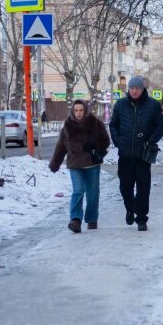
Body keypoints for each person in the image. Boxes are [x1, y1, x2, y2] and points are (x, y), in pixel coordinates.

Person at [109, 76, 163, 231]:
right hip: (125, 154)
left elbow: (160, 125)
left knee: (143, 188)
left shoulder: (152, 105)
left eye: (137, 88)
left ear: (142, 89)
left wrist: (151, 141)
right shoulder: (121, 105)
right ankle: (130, 208)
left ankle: (141, 219)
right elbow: (113, 125)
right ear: (128, 89)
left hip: (143, 155)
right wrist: (118, 141)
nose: (134, 91)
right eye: (132, 88)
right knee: (125, 186)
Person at [49, 99, 110, 233]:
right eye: (76, 110)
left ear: (86, 110)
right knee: (78, 190)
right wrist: (55, 163)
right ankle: (75, 220)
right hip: (75, 164)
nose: (78, 113)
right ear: (72, 111)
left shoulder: (95, 123)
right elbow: (61, 145)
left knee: (93, 192)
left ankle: (92, 219)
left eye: (81, 110)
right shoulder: (68, 125)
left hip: (92, 164)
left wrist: (95, 146)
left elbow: (105, 141)